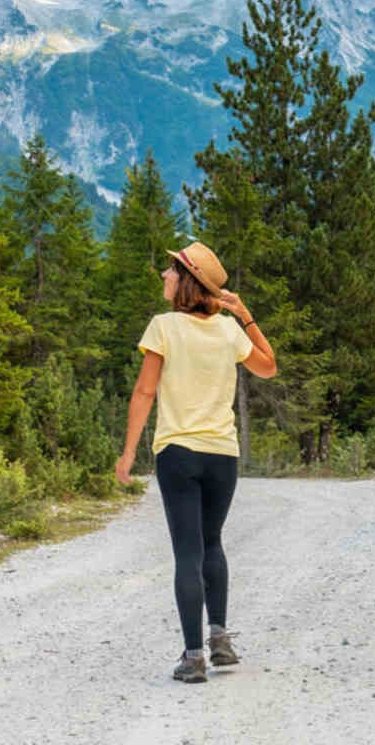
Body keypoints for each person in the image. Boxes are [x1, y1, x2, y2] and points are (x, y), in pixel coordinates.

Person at [115, 241, 277, 683]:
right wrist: (244, 315)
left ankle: (193, 658)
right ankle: (220, 639)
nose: (164, 277)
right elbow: (268, 366)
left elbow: (145, 393)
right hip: (223, 456)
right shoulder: (229, 331)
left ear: (186, 281)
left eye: (171, 271)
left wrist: (129, 451)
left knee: (188, 551)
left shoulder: (163, 327)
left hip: (178, 453)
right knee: (212, 543)